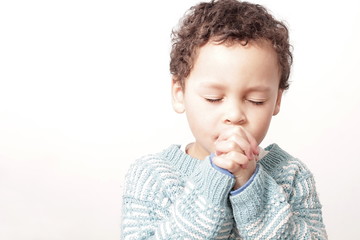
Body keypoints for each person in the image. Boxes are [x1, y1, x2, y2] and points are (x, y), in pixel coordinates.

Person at [121, 0, 327, 239]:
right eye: (213, 98)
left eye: (256, 100)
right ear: (179, 93)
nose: (234, 115)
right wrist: (212, 182)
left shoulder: (291, 175)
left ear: (276, 101)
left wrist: (251, 187)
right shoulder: (151, 176)